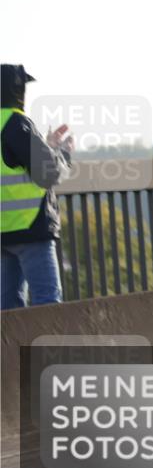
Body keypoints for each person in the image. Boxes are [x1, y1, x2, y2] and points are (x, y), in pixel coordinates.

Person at [1, 64, 73, 309]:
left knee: (8, 310)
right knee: (48, 304)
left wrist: (47, 145)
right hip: (30, 228)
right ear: (17, 90)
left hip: (3, 233)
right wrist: (63, 154)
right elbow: (48, 173)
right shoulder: (16, 122)